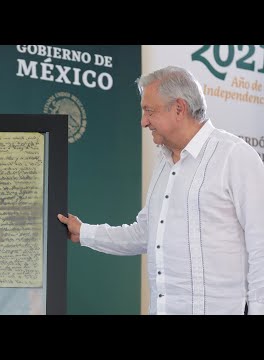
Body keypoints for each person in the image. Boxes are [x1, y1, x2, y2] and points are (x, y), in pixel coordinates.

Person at [58, 66, 264, 315]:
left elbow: (260, 244)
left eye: (149, 111)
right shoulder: (164, 163)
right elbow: (147, 234)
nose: (143, 121)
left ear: (179, 108)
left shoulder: (234, 156)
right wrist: (84, 233)